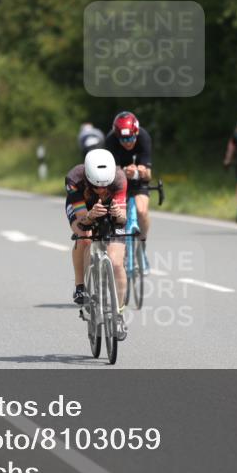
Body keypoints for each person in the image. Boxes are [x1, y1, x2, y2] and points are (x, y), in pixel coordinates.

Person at [66, 148, 128, 340]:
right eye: (96, 186)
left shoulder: (118, 178)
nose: (101, 190)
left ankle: (119, 314)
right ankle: (80, 286)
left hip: (109, 211)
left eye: (105, 187)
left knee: (117, 263)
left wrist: (118, 215)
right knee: (84, 236)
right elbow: (81, 220)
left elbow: (123, 220)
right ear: (88, 179)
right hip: (83, 208)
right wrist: (90, 216)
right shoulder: (75, 179)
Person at [104, 111, 153, 241]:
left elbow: (148, 176)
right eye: (123, 139)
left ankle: (142, 241)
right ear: (117, 136)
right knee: (116, 214)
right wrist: (124, 171)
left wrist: (141, 171)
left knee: (142, 211)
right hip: (119, 178)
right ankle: (120, 242)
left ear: (136, 133)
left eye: (130, 138)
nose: (127, 143)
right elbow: (112, 172)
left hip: (138, 179)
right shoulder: (111, 140)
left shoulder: (144, 137)